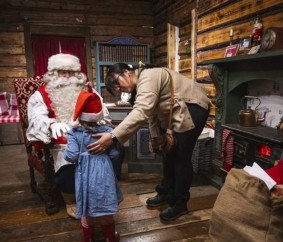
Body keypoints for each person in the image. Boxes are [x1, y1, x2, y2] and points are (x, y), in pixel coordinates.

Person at [87, 63, 210, 221]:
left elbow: (142, 111)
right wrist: (156, 139)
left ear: (126, 72)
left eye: (117, 82)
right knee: (167, 151)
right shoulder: (141, 85)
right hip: (178, 110)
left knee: (181, 157)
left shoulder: (147, 76)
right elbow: (152, 115)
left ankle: (180, 204)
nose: (119, 89)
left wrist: (112, 136)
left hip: (193, 106)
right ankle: (166, 192)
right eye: (115, 88)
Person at [26, 52, 124, 218]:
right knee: (69, 158)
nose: (67, 76)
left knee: (116, 151)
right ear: (53, 74)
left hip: (91, 133)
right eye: (62, 72)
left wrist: (96, 125)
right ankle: (71, 199)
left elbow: (103, 113)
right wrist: (51, 124)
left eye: (71, 72)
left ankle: (103, 190)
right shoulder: (40, 95)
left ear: (77, 74)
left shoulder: (89, 91)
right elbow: (36, 118)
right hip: (62, 140)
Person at [64, 90, 122, 242]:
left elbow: (72, 156)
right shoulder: (108, 132)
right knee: (105, 206)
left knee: (86, 207)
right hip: (104, 172)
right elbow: (115, 154)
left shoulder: (74, 133)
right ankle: (110, 240)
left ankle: (88, 241)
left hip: (84, 174)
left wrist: (67, 151)